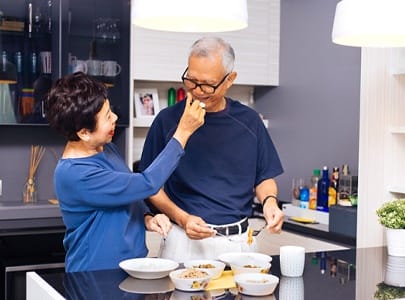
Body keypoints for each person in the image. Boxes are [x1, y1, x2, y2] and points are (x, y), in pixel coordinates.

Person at [139, 37, 284, 262]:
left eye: (207, 84)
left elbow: (264, 177)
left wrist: (270, 202)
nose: (197, 91)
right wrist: (182, 218)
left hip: (239, 243)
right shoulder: (167, 121)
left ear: (230, 80)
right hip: (183, 241)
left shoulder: (250, 121)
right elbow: (149, 186)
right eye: (191, 80)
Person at [45, 72, 205, 272]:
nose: (115, 118)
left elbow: (128, 191)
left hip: (131, 268)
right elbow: (147, 183)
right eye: (107, 117)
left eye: (110, 110)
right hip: (96, 276)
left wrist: (147, 217)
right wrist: (183, 133)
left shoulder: (106, 147)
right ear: (84, 132)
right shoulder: (75, 174)